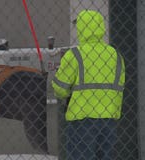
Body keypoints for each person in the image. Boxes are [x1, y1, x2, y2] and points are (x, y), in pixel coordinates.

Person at [52, 10, 125, 160]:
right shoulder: (115, 55)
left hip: (82, 120)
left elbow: (59, 89)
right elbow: (120, 85)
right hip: (109, 119)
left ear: (81, 28)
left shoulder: (75, 55)